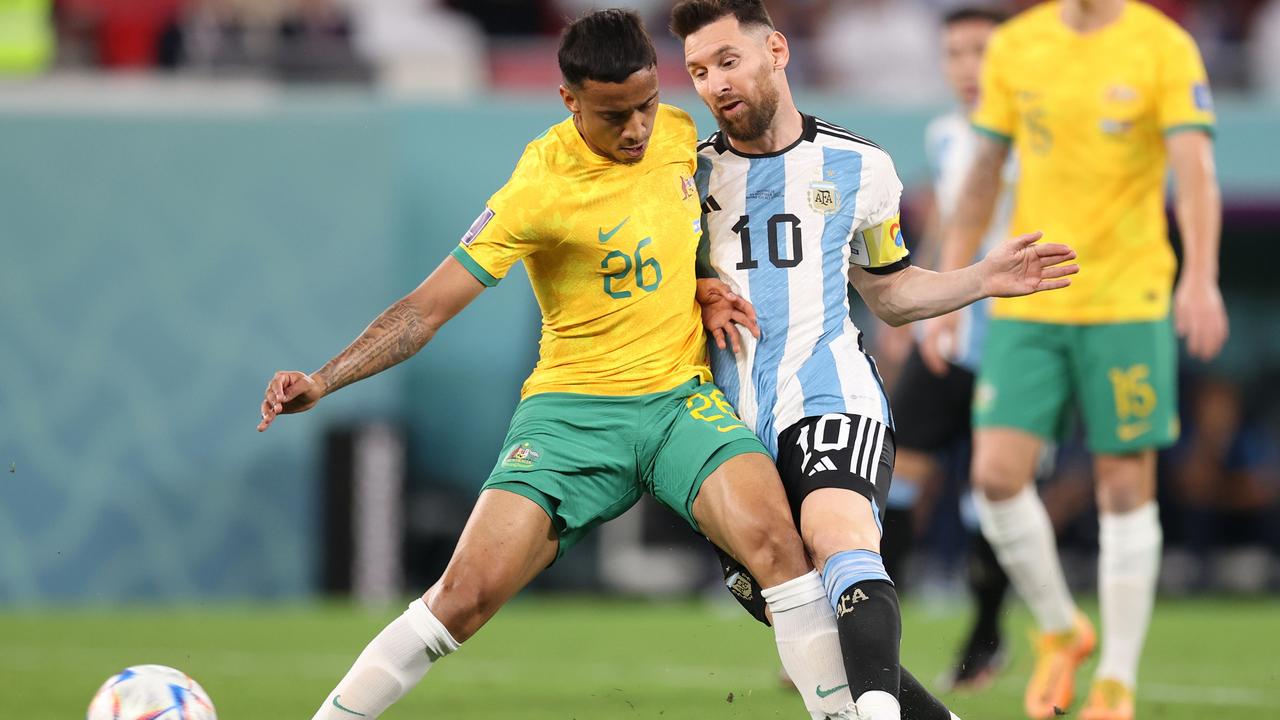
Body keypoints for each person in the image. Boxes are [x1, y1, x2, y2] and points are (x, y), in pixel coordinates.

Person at [258, 9, 845, 719]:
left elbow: (682, 226)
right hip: (572, 416)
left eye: (647, 105)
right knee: (462, 600)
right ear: (569, 101)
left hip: (679, 404)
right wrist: (325, 377)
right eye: (613, 115)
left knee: (781, 549)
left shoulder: (681, 138)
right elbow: (425, 309)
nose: (636, 129)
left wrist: (700, 281)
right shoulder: (537, 187)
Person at [669, 2, 1079, 719]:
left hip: (833, 395)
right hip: (727, 423)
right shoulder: (687, 180)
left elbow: (888, 293)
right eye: (699, 71)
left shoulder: (861, 167)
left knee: (839, 537)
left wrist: (980, 278)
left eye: (729, 61)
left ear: (775, 49)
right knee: (800, 612)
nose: (715, 84)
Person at [920, 1, 1228, 719]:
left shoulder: (1163, 46)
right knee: (995, 478)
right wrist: (951, 284)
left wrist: (1203, 274)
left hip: (1127, 298)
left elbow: (1197, 168)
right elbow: (985, 170)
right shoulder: (1019, 45)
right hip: (1032, 298)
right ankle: (1062, 629)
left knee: (1125, 485)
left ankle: (1116, 683)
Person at [885, 5, 1014, 693]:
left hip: (1022, 339)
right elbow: (948, 227)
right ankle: (869, 641)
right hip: (950, 335)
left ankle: (986, 641)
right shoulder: (945, 135)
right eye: (955, 53)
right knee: (897, 474)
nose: (968, 68)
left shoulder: (1037, 134)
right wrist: (912, 310)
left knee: (992, 492)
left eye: (982, 52)